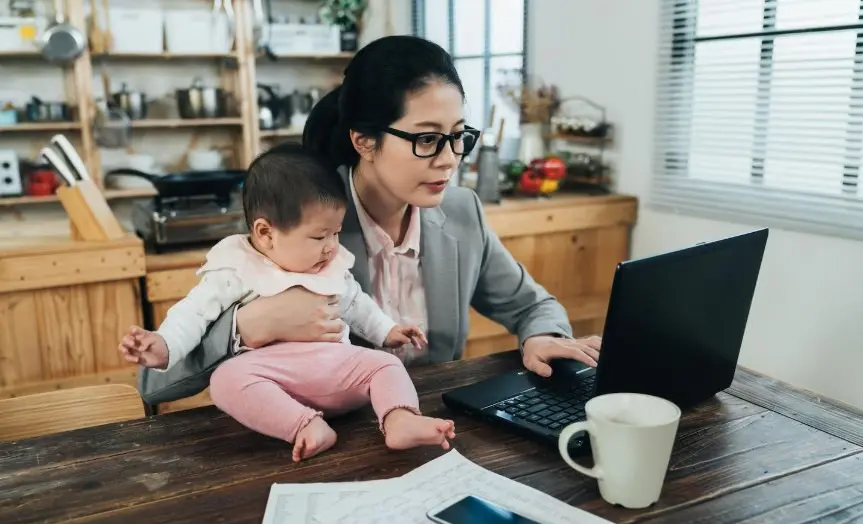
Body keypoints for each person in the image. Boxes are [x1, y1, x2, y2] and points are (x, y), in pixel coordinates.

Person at [137, 34, 601, 408]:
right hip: (316, 441)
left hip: (434, 423)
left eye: (459, 137)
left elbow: (530, 306)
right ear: (364, 140)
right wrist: (245, 326)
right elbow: (154, 386)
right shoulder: (299, 222)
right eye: (426, 140)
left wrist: (542, 338)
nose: (449, 161)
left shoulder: (461, 214)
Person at [120, 144, 455, 461]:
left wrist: (388, 330)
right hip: (275, 379)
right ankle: (304, 426)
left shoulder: (331, 265)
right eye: (319, 236)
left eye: (336, 233)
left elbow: (357, 304)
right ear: (266, 233)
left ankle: (400, 420)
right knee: (225, 380)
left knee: (387, 365)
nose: (331, 247)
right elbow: (191, 315)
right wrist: (163, 345)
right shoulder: (235, 269)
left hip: (338, 369)